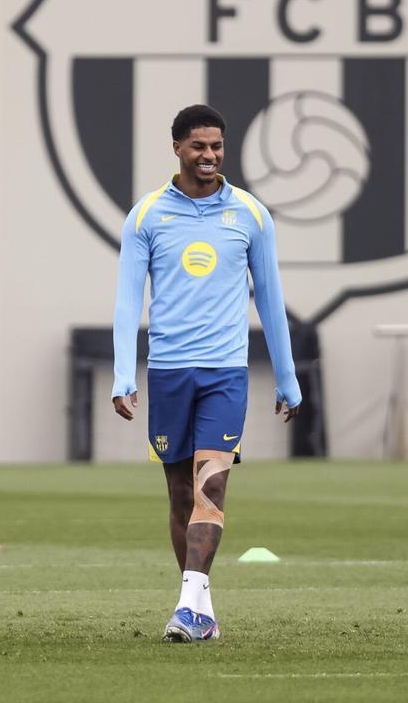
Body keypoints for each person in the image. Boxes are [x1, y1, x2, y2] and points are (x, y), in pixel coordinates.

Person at [110, 105, 302, 643]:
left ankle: (188, 609)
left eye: (217, 146)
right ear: (176, 148)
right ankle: (200, 606)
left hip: (225, 374)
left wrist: (286, 378)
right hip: (169, 373)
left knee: (210, 486)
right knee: (179, 496)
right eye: (199, 146)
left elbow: (271, 298)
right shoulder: (147, 216)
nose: (210, 155)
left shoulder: (250, 215)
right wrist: (124, 374)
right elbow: (128, 303)